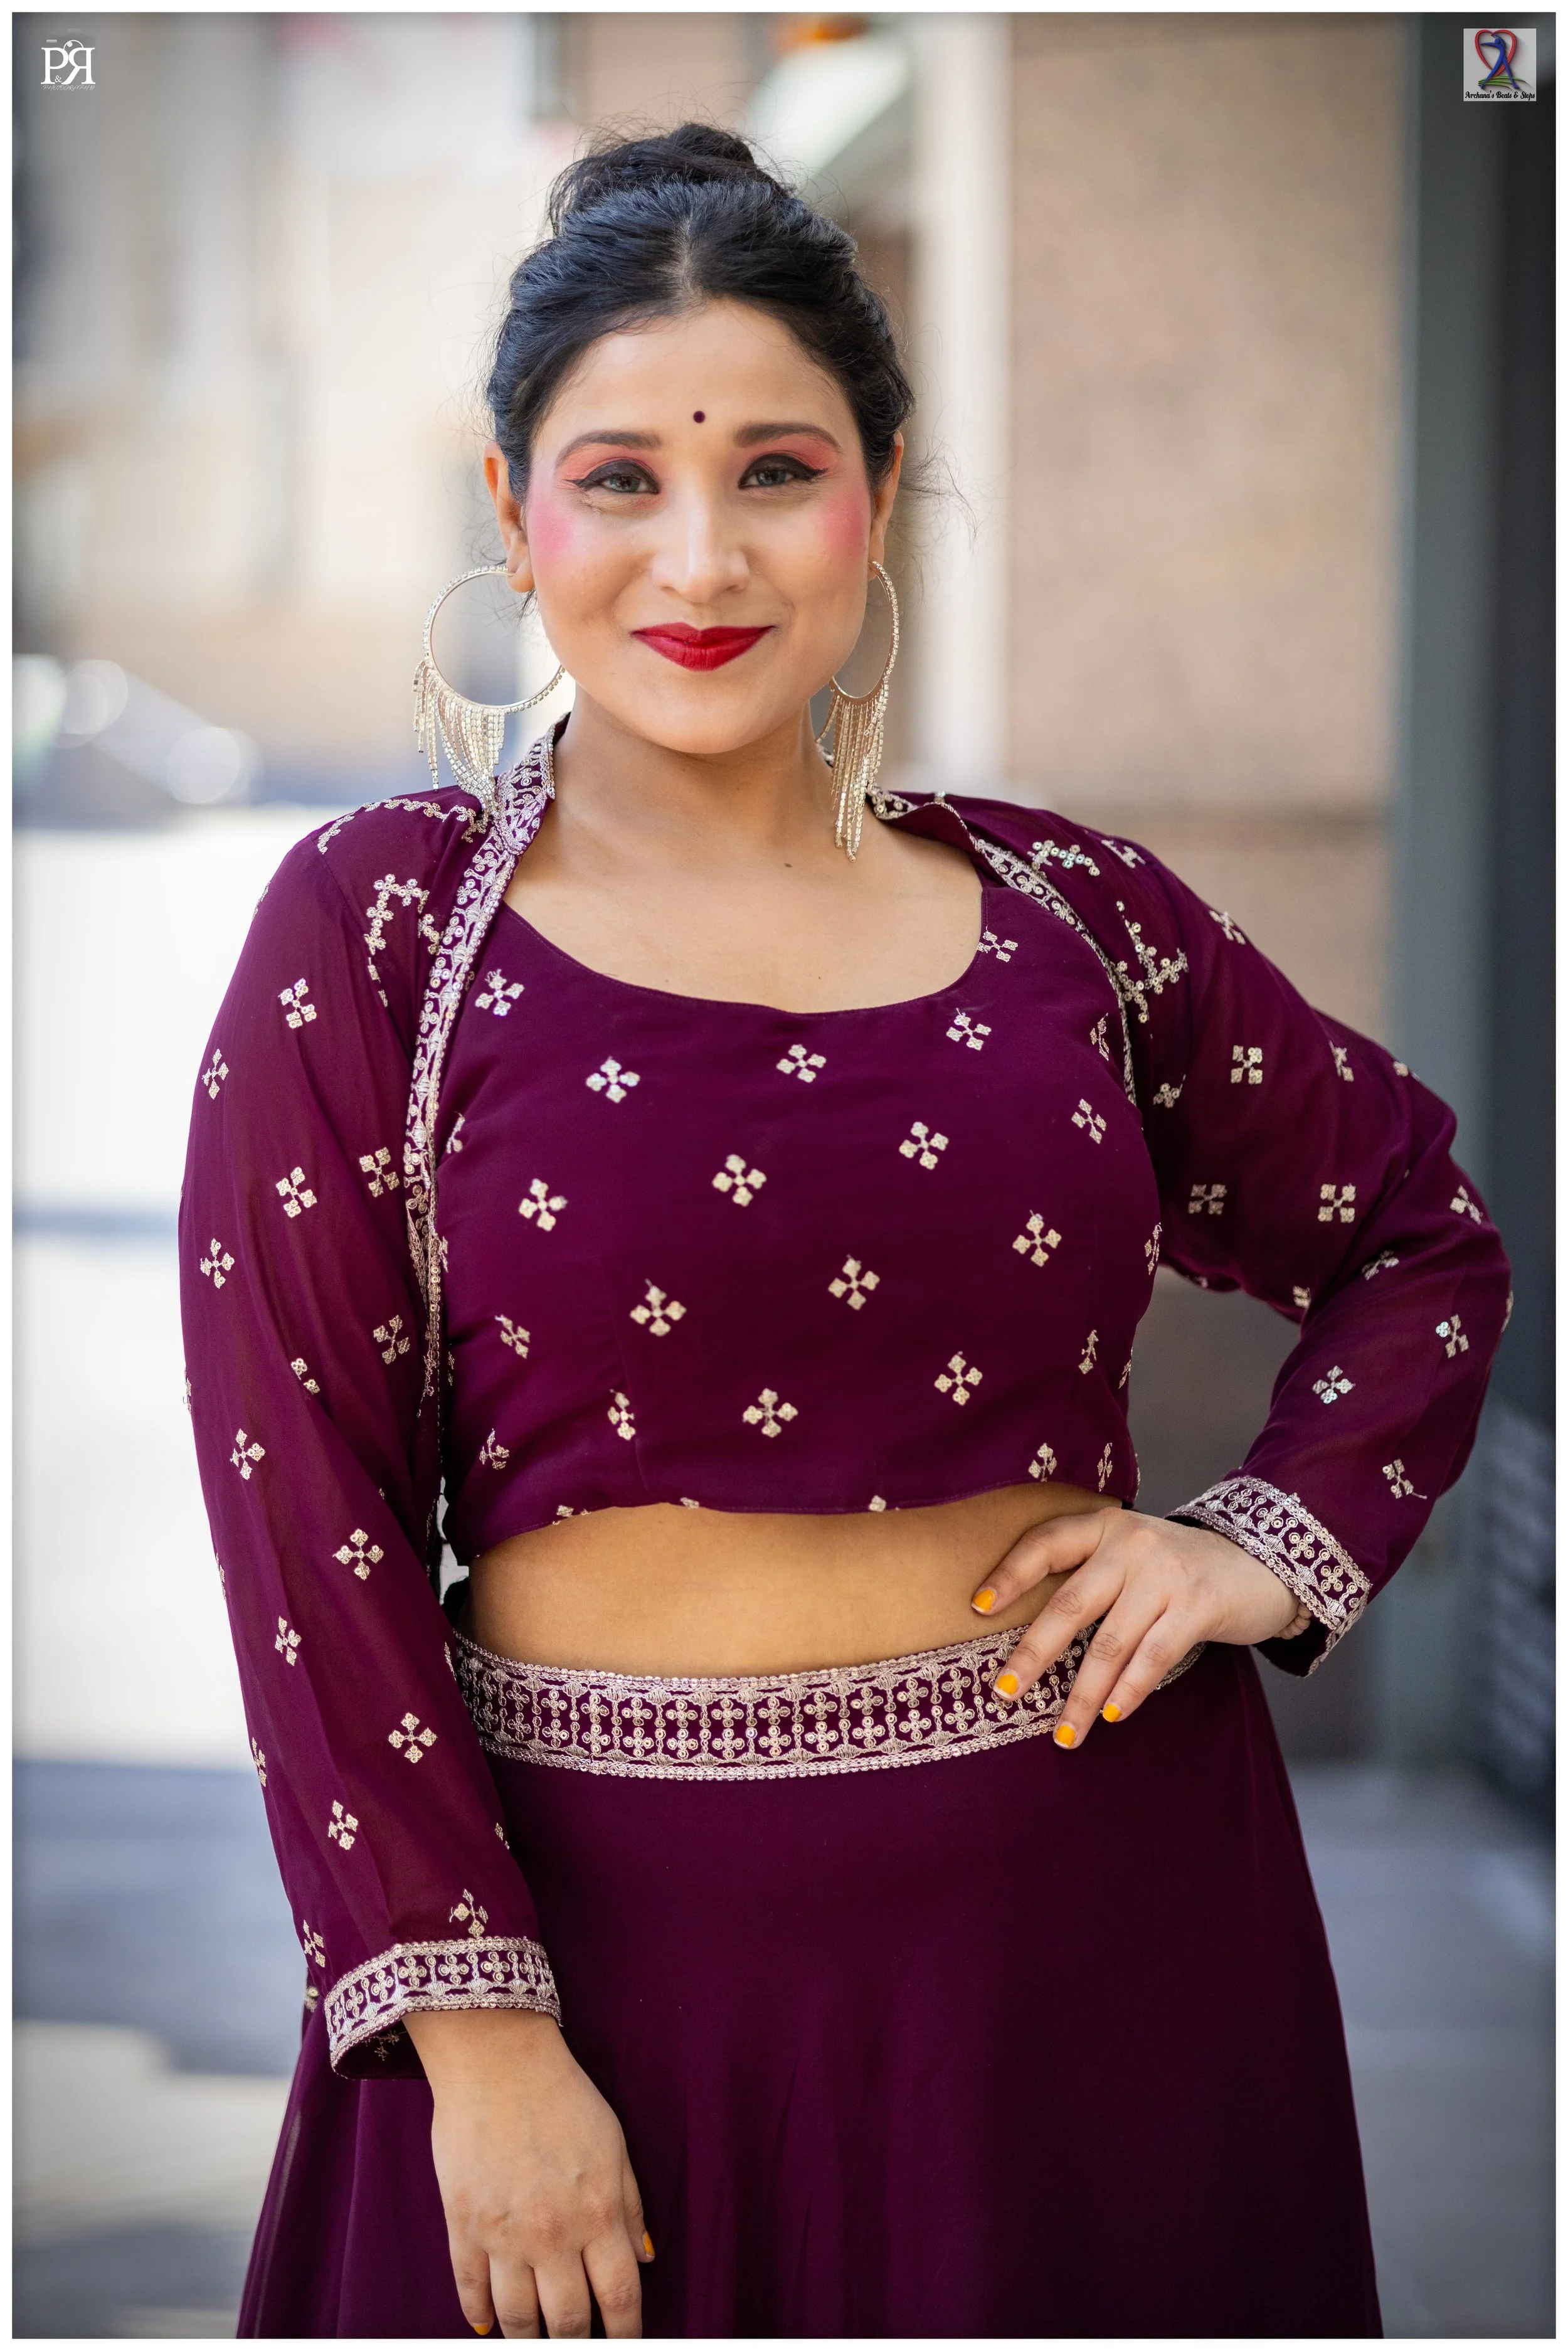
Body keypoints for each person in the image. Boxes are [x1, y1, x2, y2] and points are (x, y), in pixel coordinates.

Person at [179, 125, 1510, 2341]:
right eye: (618, 479)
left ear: (875, 497)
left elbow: (1412, 1221)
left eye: (775, 472)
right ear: (511, 514)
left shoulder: (1071, 915)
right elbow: (298, 1508)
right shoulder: (382, 931)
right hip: (593, 1972)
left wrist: (1261, 1544)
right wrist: (477, 2043)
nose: (698, 556)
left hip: (1095, 1943)